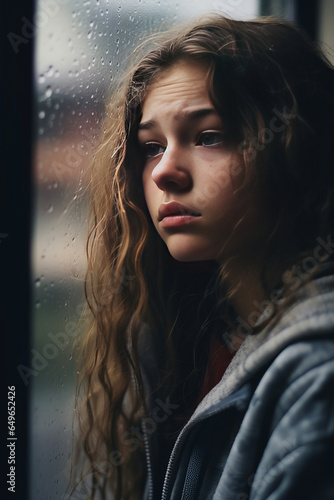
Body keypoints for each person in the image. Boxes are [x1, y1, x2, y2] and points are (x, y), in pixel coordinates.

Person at [70, 14, 334, 500]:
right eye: (151, 147)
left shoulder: (318, 374)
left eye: (209, 136)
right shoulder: (186, 334)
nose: (165, 172)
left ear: (297, 149)